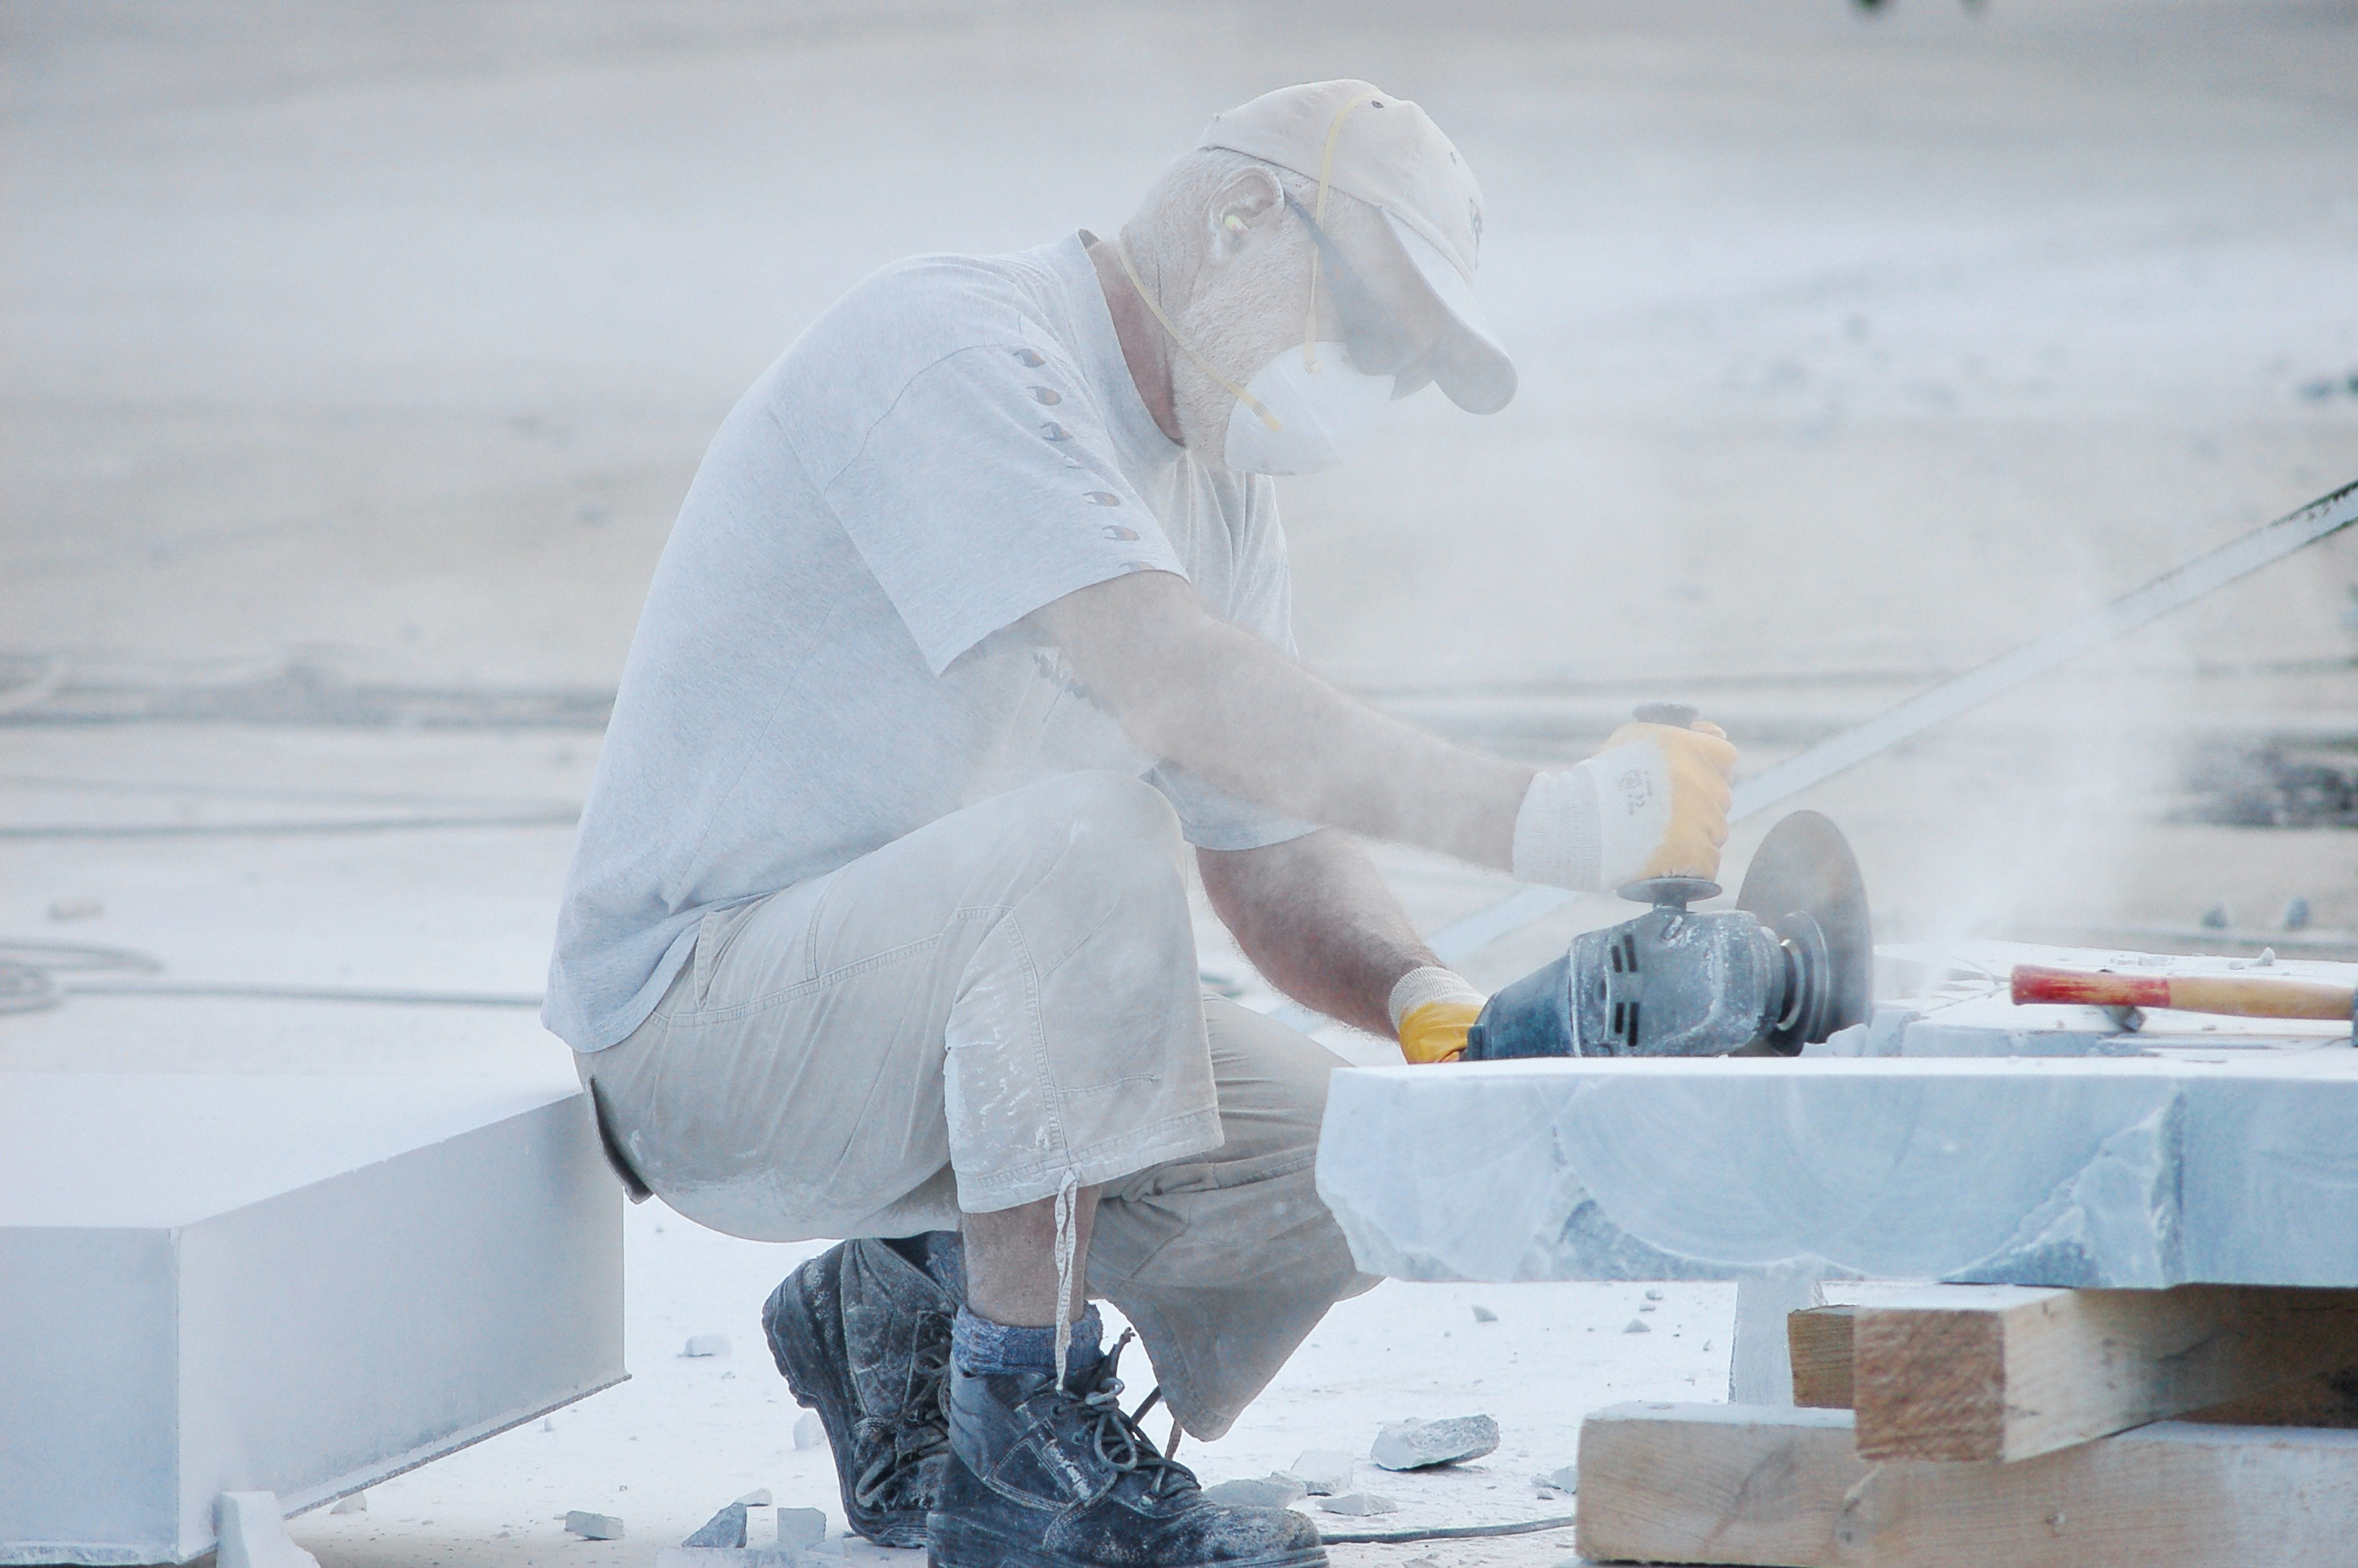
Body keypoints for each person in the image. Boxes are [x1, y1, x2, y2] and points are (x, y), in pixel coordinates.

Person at [544, 79, 1735, 1568]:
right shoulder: (959, 348)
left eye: (1402, 372)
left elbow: (1267, 846)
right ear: (1244, 213)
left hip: (896, 1032)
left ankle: (900, 1313)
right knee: (1092, 838)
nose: (1368, 388)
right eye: (1371, 331)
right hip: (700, 1033)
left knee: (1351, 1169)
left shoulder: (1220, 502)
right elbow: (1173, 687)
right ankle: (1022, 1456)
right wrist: (1552, 820)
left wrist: (1435, 1011)